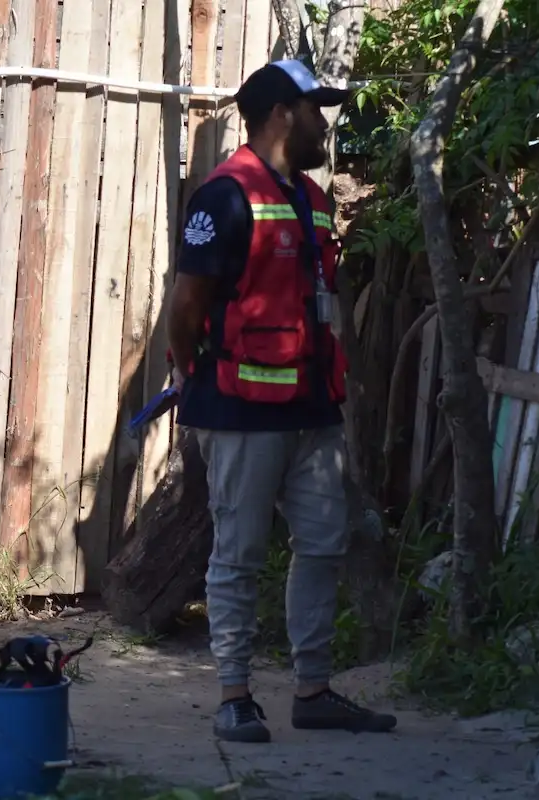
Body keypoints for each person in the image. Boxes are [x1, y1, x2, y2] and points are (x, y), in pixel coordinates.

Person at [166, 60, 399, 744]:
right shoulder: (223, 197)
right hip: (238, 406)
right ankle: (235, 697)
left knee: (324, 542)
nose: (323, 124)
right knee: (238, 553)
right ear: (278, 115)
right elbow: (186, 305)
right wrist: (190, 370)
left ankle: (313, 691)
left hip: (311, 406)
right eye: (313, 110)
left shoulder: (312, 198)